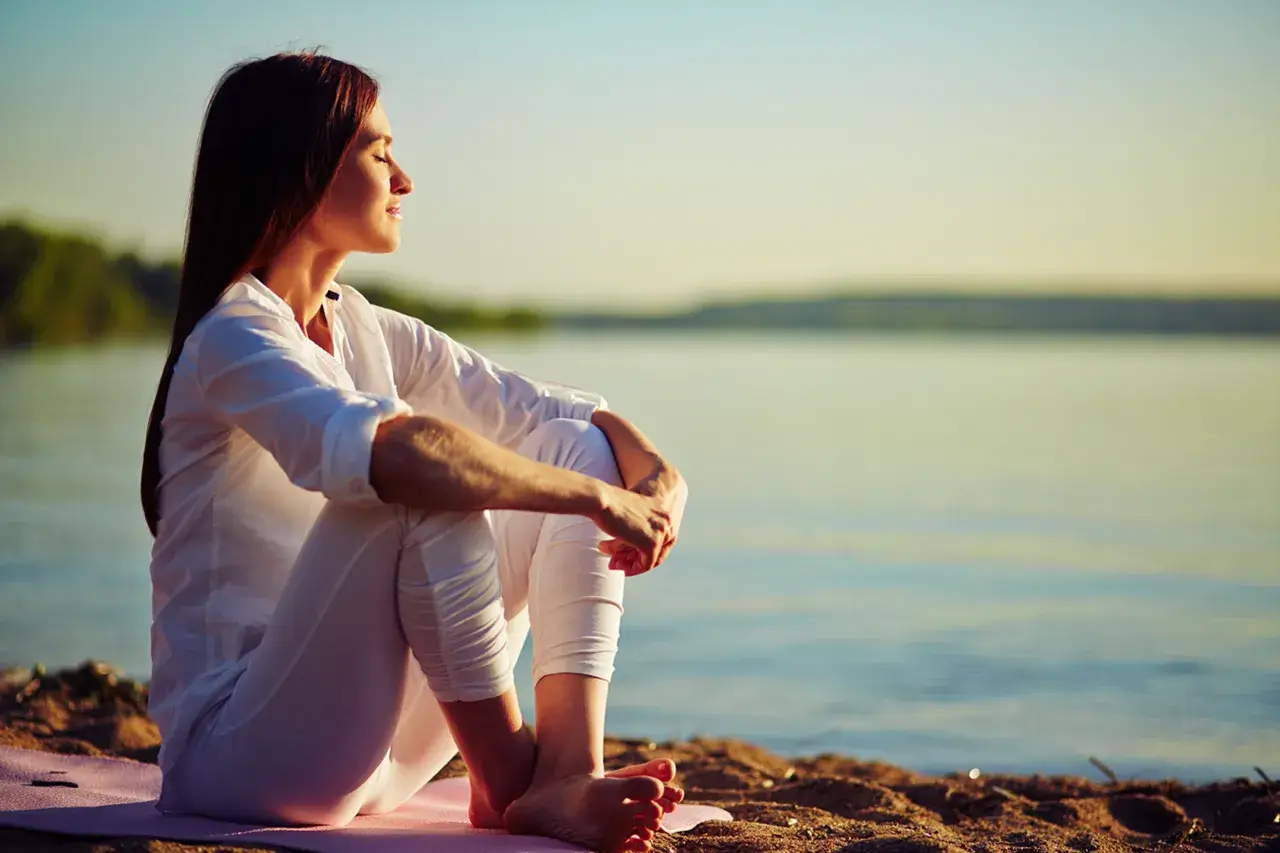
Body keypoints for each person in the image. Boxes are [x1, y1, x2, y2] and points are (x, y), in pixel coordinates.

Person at [139, 51, 689, 853]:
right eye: (377, 151)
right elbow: (399, 453)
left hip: (382, 754)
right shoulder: (234, 334)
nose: (404, 178)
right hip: (242, 756)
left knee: (568, 446)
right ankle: (508, 778)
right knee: (419, 475)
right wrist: (597, 500)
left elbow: (558, 413)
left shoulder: (362, 324)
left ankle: (564, 772)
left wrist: (660, 478)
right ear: (302, 166)